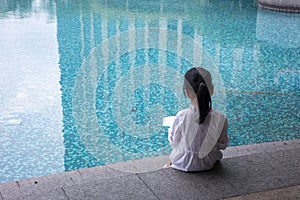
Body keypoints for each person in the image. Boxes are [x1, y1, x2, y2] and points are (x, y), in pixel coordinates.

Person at [165, 67, 229, 171]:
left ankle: (171, 164)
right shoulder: (220, 119)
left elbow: (173, 141)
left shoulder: (182, 116)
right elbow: (222, 145)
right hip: (208, 163)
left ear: (187, 93)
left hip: (182, 163)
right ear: (211, 90)